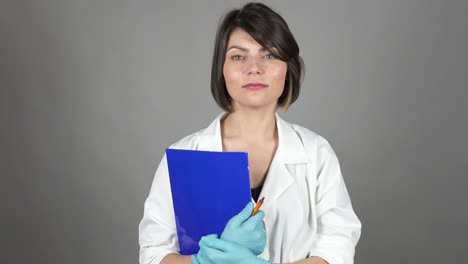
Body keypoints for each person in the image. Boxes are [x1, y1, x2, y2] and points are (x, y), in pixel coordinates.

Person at [139, 2, 361, 264]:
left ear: (287, 70)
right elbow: (153, 254)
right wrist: (202, 262)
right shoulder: (184, 156)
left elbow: (337, 250)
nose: (254, 67)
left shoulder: (316, 153)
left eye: (269, 55)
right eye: (238, 56)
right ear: (221, 71)